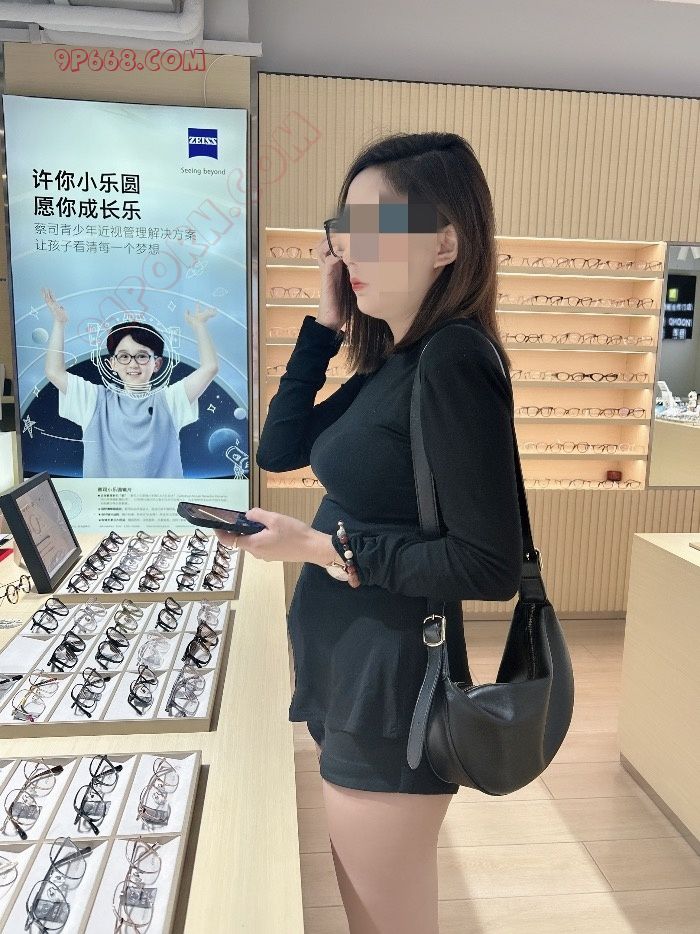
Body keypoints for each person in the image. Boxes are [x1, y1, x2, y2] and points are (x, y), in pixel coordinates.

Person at [216, 132, 523, 933]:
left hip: (392, 688)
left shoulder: (453, 360)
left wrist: (317, 548)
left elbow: (488, 563)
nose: (350, 247)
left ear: (446, 242)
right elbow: (280, 450)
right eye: (343, 228)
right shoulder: (398, 360)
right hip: (352, 671)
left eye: (375, 226)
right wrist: (325, 326)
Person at [42, 288, 219, 478]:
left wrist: (199, 325)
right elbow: (54, 372)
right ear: (112, 363)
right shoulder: (94, 400)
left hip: (161, 498)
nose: (133, 364)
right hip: (105, 498)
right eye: (124, 356)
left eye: (142, 356)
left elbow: (210, 367)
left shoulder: (170, 400)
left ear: (157, 363)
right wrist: (59, 323)